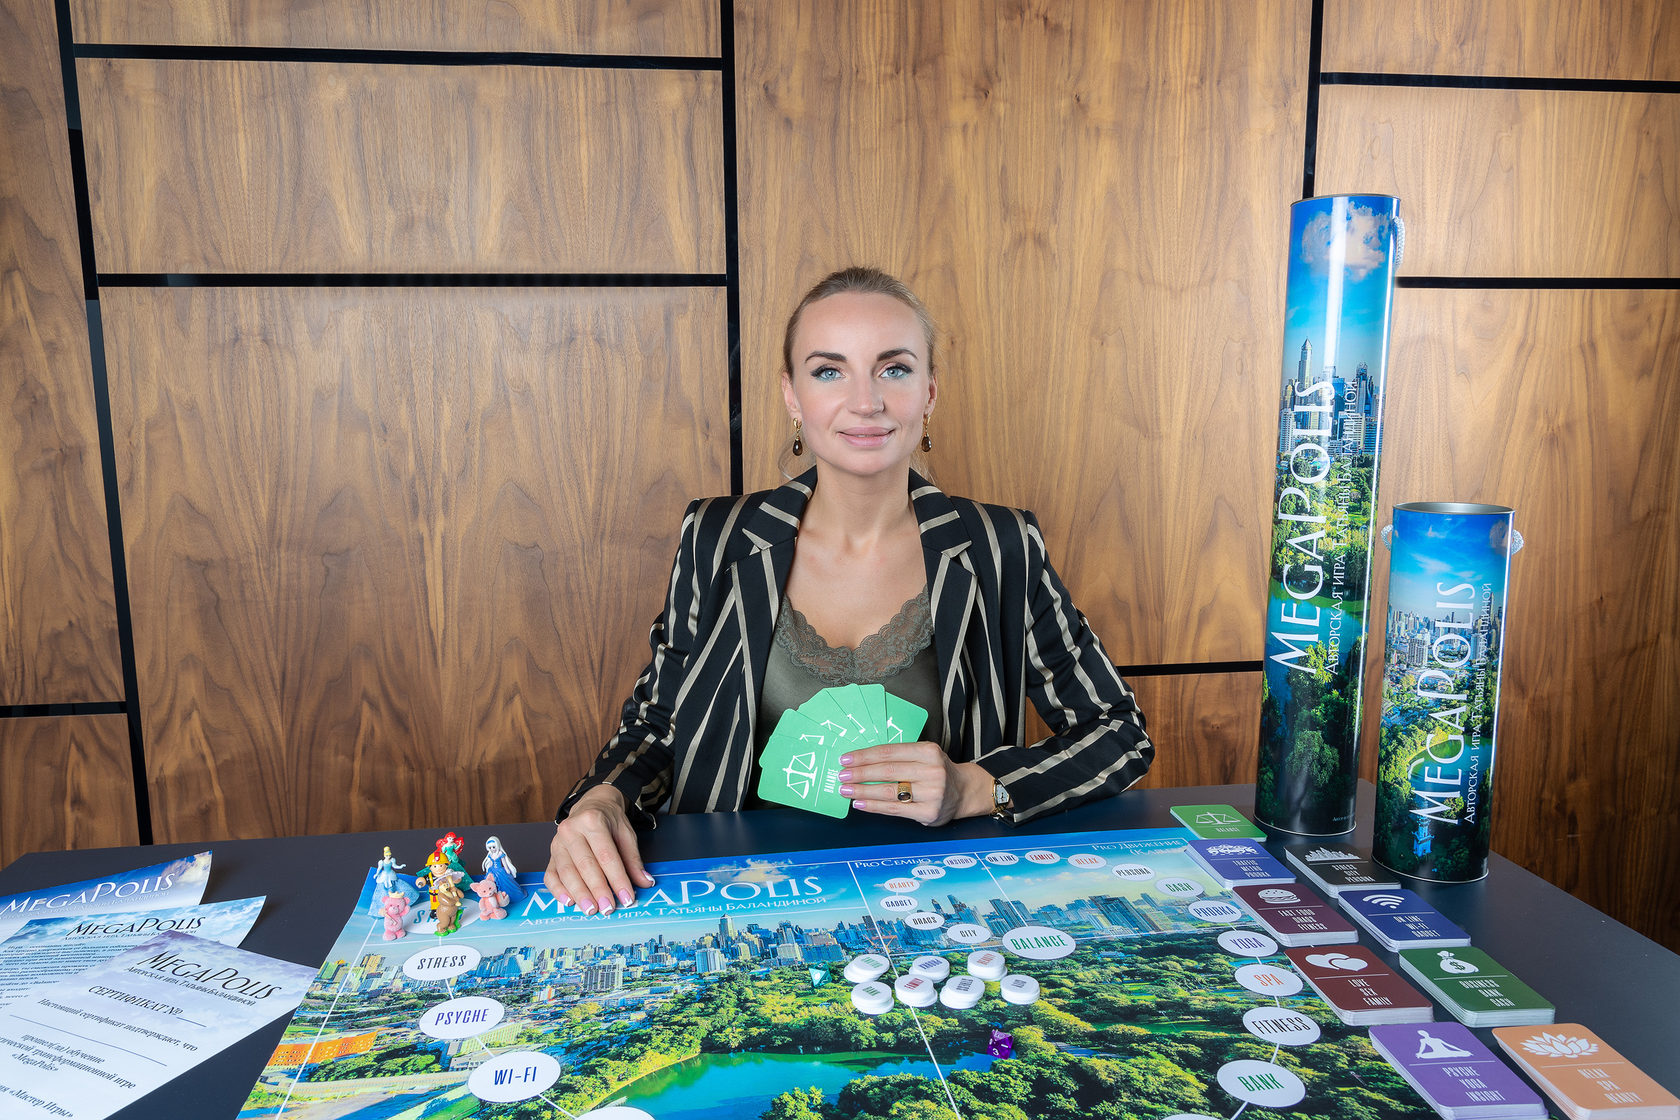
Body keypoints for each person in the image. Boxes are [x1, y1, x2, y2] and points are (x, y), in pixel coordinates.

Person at [544, 267, 1152, 916]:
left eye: (894, 369)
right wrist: (602, 799)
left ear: (929, 391)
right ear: (792, 395)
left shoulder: (1000, 547)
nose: (866, 402)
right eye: (830, 371)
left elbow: (1119, 732)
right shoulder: (717, 539)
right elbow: (658, 724)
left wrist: (976, 787)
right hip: (746, 897)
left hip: (942, 901)